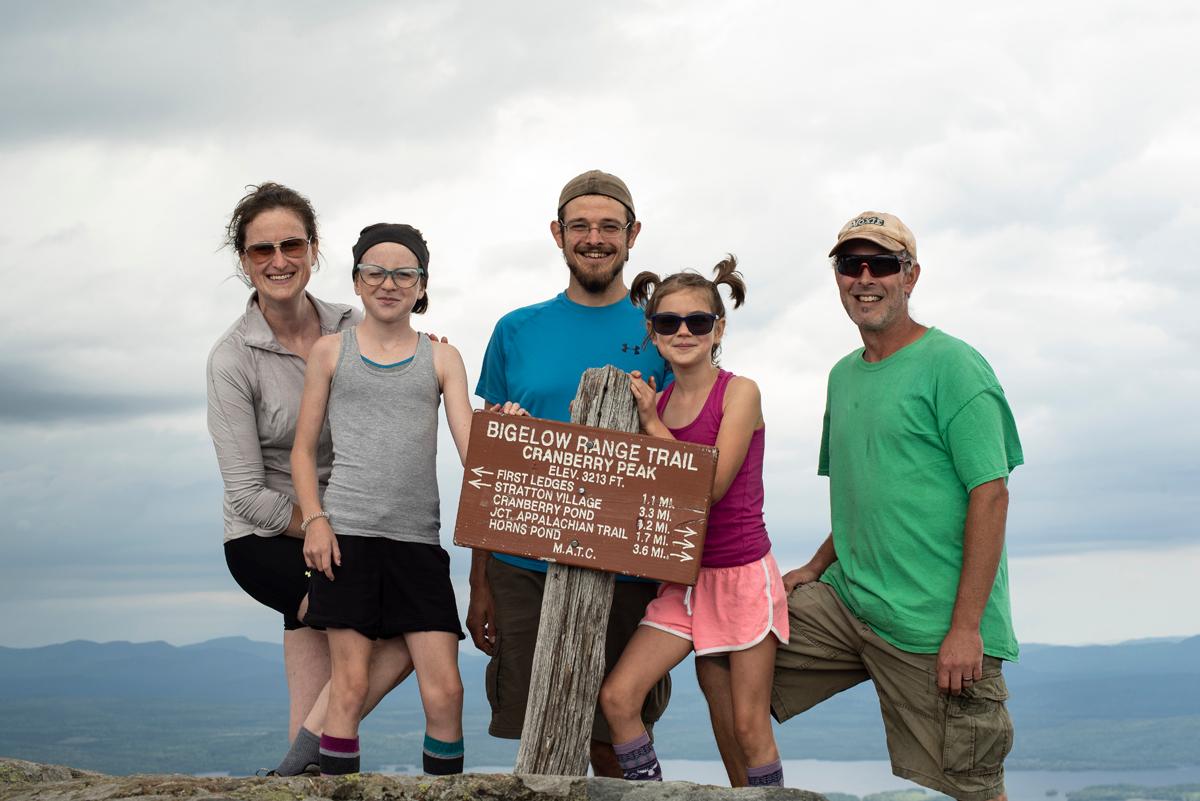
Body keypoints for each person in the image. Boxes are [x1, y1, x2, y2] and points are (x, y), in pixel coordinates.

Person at [767, 212, 1023, 801]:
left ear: (911, 275)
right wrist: (813, 567)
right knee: (734, 652)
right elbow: (867, 493)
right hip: (849, 601)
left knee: (971, 786)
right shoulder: (842, 376)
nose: (865, 278)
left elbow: (991, 494)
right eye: (849, 265)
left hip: (934, 628)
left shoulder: (953, 365)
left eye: (881, 264)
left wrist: (964, 630)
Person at [470, 170, 673, 776]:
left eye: (609, 226)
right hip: (523, 566)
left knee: (618, 731)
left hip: (628, 564)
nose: (594, 238)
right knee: (541, 738)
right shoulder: (515, 330)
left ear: (632, 236)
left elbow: (685, 445)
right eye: (580, 226)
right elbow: (490, 467)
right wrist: (480, 580)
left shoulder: (664, 328)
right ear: (557, 235)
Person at [207, 184, 413, 775]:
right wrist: (322, 526)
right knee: (392, 629)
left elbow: (411, 371)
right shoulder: (232, 359)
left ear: (314, 249)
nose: (278, 260)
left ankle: (300, 772)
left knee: (333, 652)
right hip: (267, 536)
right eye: (261, 249)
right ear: (243, 261)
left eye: (291, 244)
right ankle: (303, 766)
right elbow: (246, 494)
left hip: (348, 526)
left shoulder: (355, 324)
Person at [293, 223, 502, 776]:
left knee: (446, 694)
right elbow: (302, 451)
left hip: (417, 543)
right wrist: (315, 520)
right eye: (375, 272)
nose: (389, 283)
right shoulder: (329, 351)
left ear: (421, 284)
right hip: (349, 539)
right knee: (350, 688)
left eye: (403, 273)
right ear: (358, 283)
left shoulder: (443, 358)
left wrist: (505, 432)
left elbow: (471, 448)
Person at [598, 257, 788, 787]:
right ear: (652, 332)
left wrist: (652, 425)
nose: (683, 332)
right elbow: (633, 487)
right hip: (683, 581)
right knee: (618, 699)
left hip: (742, 578)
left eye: (698, 322)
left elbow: (708, 486)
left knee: (747, 729)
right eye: (668, 322)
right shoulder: (655, 401)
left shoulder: (740, 392)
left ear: (718, 330)